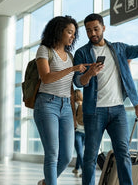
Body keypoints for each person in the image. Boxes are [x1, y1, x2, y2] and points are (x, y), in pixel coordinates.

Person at [73, 13, 138, 185]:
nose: (92, 33)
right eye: (88, 30)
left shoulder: (119, 49)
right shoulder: (82, 53)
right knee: (90, 157)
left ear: (103, 28)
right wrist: (90, 73)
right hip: (94, 112)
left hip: (117, 111)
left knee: (123, 154)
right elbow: (78, 82)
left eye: (96, 29)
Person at [34, 16, 88, 185]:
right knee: (52, 153)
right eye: (69, 32)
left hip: (66, 106)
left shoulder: (70, 56)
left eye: (74, 34)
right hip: (47, 104)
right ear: (59, 32)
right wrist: (72, 69)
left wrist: (89, 72)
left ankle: (45, 182)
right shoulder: (44, 50)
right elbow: (47, 78)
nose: (72, 37)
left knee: (65, 156)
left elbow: (72, 87)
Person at [72, 89, 85, 177]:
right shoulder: (84, 104)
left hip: (77, 132)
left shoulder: (75, 105)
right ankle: (76, 168)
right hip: (85, 131)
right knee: (80, 151)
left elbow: (72, 117)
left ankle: (84, 171)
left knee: (79, 152)